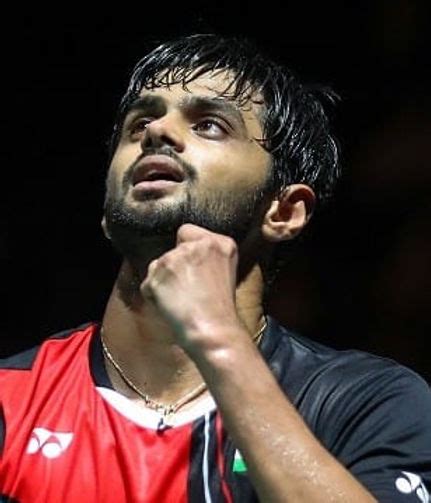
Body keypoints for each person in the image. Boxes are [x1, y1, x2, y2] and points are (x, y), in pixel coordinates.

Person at [0, 33, 430, 503]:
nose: (157, 133)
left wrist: (217, 339)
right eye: (140, 123)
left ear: (284, 211)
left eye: (209, 125)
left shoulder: (364, 402)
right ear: (107, 210)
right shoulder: (9, 397)